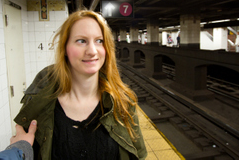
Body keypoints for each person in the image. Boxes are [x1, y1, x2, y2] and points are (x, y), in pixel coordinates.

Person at [13, 10, 147, 160]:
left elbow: (138, 155)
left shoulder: (123, 103)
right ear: (65, 48)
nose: (92, 51)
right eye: (81, 41)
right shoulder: (38, 104)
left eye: (99, 41)